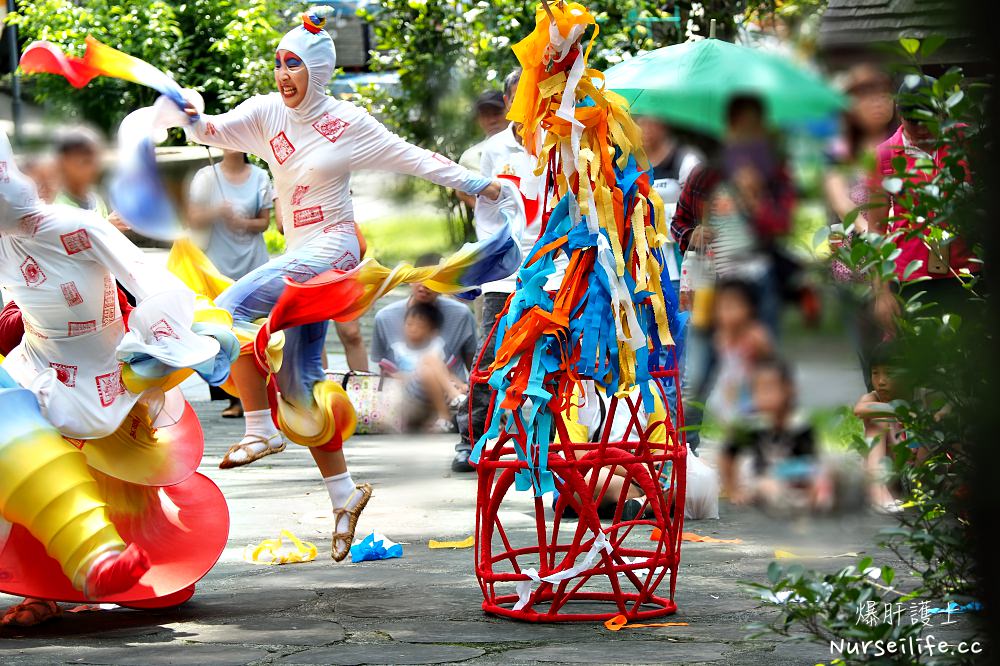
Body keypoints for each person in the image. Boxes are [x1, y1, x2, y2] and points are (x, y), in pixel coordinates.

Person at [162, 7, 513, 560]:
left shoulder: (348, 123)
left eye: (294, 65)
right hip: (302, 254)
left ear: (318, 72)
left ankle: (258, 427)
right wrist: (188, 110)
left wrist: (480, 184)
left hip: (336, 247)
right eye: (278, 63)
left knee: (228, 307)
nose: (283, 74)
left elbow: (413, 159)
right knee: (302, 388)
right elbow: (208, 130)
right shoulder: (265, 113)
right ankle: (344, 495)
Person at [0, 128, 235, 626]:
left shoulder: (76, 226)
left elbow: (147, 280)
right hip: (34, 367)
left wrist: (157, 345)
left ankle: (112, 572)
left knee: (112, 481)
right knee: (27, 470)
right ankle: (43, 591)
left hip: (105, 375)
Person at [673, 95, 795, 451]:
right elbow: (679, 223)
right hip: (711, 284)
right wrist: (692, 233)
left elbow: (782, 227)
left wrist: (754, 199)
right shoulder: (705, 174)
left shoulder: (776, 173)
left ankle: (758, 457)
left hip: (759, 285)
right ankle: (685, 453)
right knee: (696, 372)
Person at [462, 67, 557, 473]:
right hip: (504, 269)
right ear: (508, 103)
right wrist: (498, 256)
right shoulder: (494, 150)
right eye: (521, 96)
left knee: (550, 357)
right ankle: (473, 438)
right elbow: (487, 211)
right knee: (492, 353)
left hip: (555, 269)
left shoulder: (559, 143)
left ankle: (545, 443)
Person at [868, 75, 976, 335]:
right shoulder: (884, 156)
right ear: (899, 114)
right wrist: (881, 293)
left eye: (927, 119)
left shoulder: (964, 139)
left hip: (964, 273)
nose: (920, 128)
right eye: (912, 121)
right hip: (911, 278)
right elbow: (876, 228)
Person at [823, 64, 897, 387]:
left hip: (901, 264)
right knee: (874, 362)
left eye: (884, 94)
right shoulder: (840, 152)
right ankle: (880, 426)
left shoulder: (904, 143)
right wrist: (877, 235)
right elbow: (842, 204)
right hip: (856, 269)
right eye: (866, 96)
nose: (878, 101)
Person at [187, 149, 275, 418]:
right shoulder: (205, 177)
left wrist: (242, 222)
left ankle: (263, 394)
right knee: (220, 329)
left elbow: (264, 223)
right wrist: (216, 212)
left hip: (253, 262)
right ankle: (231, 397)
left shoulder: (260, 176)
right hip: (216, 265)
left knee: (255, 331)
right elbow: (192, 219)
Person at [721, 357, 828, 510]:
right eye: (758, 390)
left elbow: (810, 462)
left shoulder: (800, 424)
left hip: (793, 477)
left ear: (789, 389)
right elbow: (727, 455)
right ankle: (788, 505)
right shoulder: (751, 424)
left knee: (823, 479)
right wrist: (732, 490)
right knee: (770, 487)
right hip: (761, 480)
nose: (763, 396)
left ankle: (809, 504)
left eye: (769, 389)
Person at [370, 251, 477, 397]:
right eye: (420, 277)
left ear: (444, 284)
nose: (425, 285)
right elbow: (383, 370)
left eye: (433, 279)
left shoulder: (461, 315)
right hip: (404, 403)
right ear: (410, 279)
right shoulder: (385, 318)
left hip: (452, 399)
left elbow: (474, 366)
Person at [378, 301, 468, 433]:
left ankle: (447, 414)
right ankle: (453, 401)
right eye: (409, 324)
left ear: (432, 331)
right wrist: (412, 375)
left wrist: (462, 385)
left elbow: (448, 372)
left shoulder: (438, 345)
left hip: (438, 392)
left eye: (420, 326)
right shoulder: (397, 350)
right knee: (428, 362)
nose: (413, 328)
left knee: (428, 368)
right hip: (410, 396)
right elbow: (388, 376)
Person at [638, 116, 703, 294]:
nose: (646, 128)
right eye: (641, 121)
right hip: (644, 272)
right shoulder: (628, 164)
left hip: (680, 268)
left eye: (652, 121)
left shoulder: (686, 161)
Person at [853, 345, 907, 512]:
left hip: (912, 472)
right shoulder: (873, 397)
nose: (881, 381)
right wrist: (897, 410)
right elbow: (859, 410)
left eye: (889, 373)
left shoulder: (914, 397)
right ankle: (878, 491)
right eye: (875, 373)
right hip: (885, 472)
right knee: (877, 422)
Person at [52, 126, 129, 234]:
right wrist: (106, 226)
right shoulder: (55, 203)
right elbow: (62, 242)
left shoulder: (97, 201)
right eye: (84, 161)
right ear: (63, 162)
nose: (93, 167)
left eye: (96, 160)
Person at [456, 89, 508, 208]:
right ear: (478, 120)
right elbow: (461, 192)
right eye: (485, 115)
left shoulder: (528, 147)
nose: (492, 121)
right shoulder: (470, 158)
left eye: (497, 113)